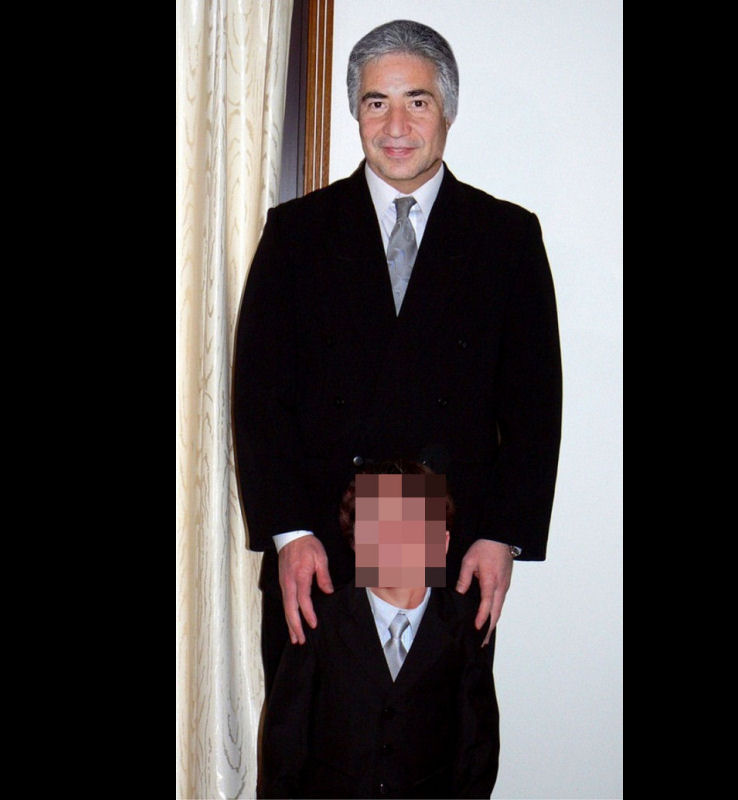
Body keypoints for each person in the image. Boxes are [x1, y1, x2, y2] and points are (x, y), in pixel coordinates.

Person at [232, 15, 562, 768]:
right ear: (356, 114)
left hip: (447, 537)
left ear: (448, 110)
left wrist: (501, 535)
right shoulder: (297, 232)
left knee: (433, 752)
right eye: (376, 103)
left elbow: (534, 407)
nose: (397, 125)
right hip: (323, 540)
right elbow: (258, 399)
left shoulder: (507, 237)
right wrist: (287, 533)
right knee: (312, 752)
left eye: (418, 101)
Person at [261, 460, 499, 798]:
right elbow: (286, 741)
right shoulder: (319, 622)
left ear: (442, 543)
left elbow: (477, 747)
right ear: (356, 540)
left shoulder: (465, 626)